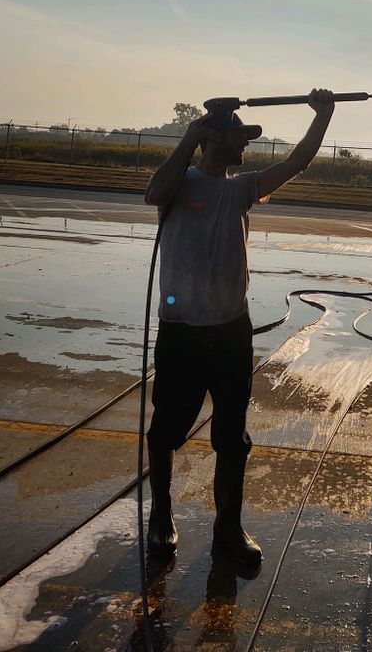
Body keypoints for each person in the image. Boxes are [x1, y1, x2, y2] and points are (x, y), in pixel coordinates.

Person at [143, 88, 335, 569]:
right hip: (181, 331)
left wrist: (322, 115)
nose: (245, 142)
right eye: (238, 136)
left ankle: (227, 529)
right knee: (166, 430)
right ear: (212, 139)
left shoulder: (241, 188)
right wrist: (189, 139)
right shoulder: (181, 182)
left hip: (231, 333)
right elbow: (154, 193)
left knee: (232, 438)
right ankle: (161, 516)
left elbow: (296, 162)